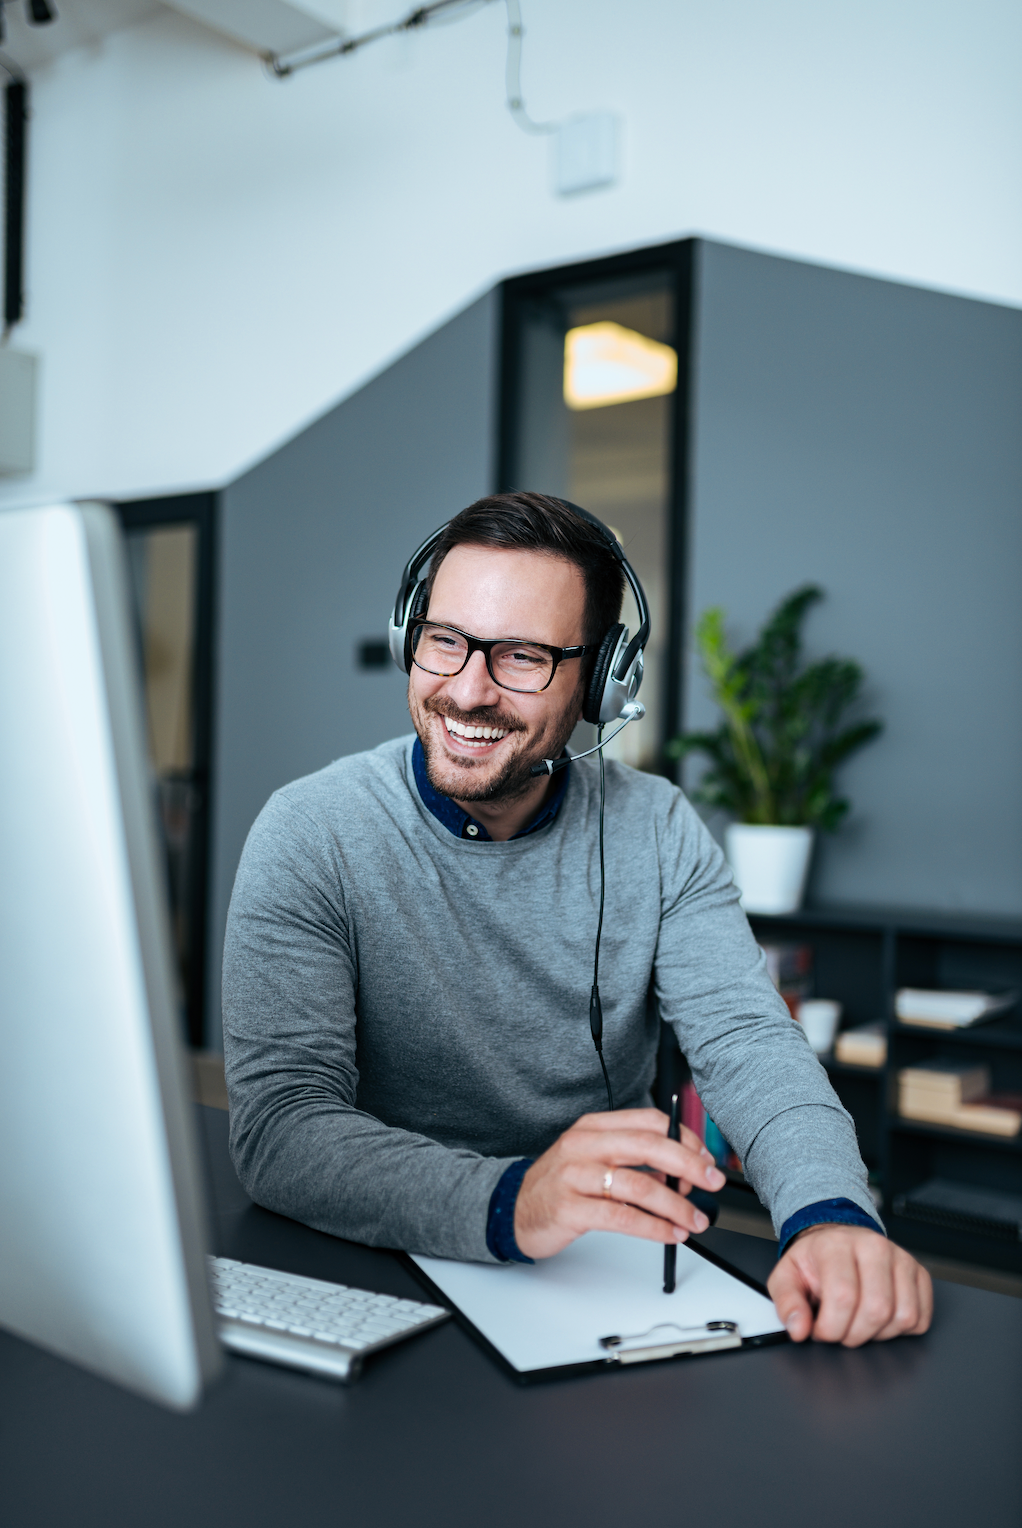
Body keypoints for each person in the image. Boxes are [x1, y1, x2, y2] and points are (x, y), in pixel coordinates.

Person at [223, 492, 932, 1348]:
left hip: (607, 1273)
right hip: (376, 1267)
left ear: (601, 681)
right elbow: (282, 1126)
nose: (468, 691)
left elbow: (749, 1042)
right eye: (445, 640)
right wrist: (517, 1199)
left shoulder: (659, 827)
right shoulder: (311, 830)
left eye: (523, 656)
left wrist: (830, 1217)